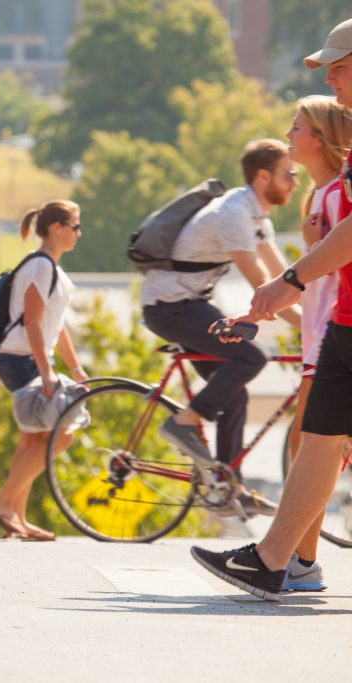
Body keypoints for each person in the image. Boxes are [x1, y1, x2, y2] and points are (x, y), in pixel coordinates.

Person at [191, 19, 352, 601]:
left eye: (340, 63)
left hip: (339, 327)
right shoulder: (336, 178)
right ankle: (278, 561)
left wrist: (291, 278)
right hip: (343, 328)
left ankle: (291, 561)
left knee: (320, 439)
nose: (331, 73)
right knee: (317, 440)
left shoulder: (336, 186)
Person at [142, 139, 300, 517]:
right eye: (288, 174)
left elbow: (286, 280)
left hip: (190, 303)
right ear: (263, 177)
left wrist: (319, 317)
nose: (296, 181)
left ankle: (228, 486)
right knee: (251, 357)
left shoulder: (258, 217)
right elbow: (263, 288)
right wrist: (311, 329)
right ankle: (184, 422)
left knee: (236, 394)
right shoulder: (233, 214)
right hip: (170, 307)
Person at [277, 95, 352, 590]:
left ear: (320, 139)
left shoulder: (334, 196)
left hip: (333, 340)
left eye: (297, 126)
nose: (288, 134)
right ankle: (299, 560)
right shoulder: (321, 197)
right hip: (323, 338)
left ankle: (300, 562)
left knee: (311, 447)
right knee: (314, 447)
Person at [0, 200, 86, 542]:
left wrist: (74, 366)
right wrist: (45, 371)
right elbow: (32, 320)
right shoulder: (41, 267)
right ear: (56, 228)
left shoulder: (50, 269)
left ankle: (17, 520)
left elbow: (57, 326)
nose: (78, 233)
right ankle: (1, 502)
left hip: (28, 358)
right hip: (21, 359)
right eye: (75, 226)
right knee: (62, 432)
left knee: (32, 441)